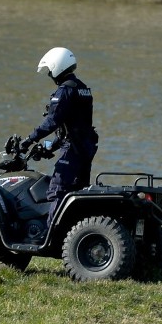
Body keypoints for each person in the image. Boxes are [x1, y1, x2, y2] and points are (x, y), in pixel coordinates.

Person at [19, 47, 98, 228]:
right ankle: (73, 235)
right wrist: (47, 146)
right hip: (84, 148)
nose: (50, 76)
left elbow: (52, 122)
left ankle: (51, 236)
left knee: (57, 191)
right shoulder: (83, 89)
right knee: (77, 193)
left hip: (73, 149)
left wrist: (29, 140)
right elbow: (73, 128)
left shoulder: (65, 91)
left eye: (49, 71)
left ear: (57, 67)